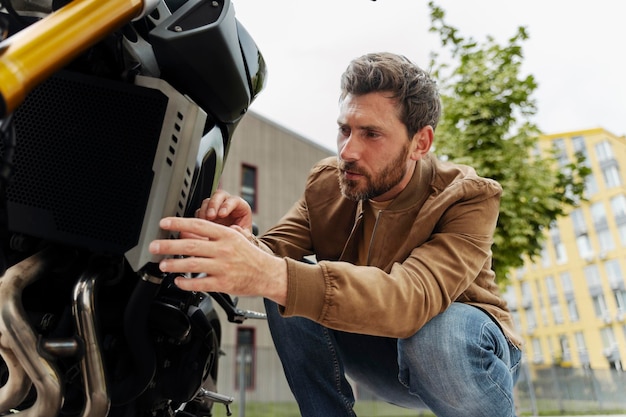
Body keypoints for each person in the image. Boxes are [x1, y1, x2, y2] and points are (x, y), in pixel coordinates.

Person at [149, 52, 523, 417]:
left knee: (439, 334)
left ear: (420, 143)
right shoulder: (328, 183)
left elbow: (413, 299)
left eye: (371, 134)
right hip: (378, 353)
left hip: (467, 355)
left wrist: (271, 271)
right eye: (344, 129)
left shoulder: (469, 197)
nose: (348, 151)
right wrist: (241, 240)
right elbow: (269, 255)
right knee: (284, 279)